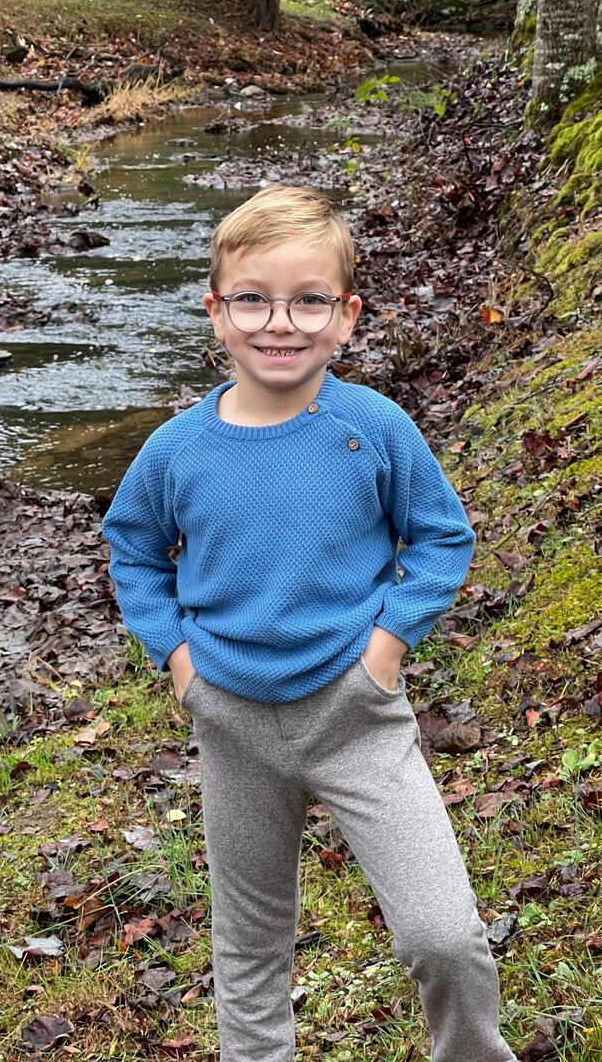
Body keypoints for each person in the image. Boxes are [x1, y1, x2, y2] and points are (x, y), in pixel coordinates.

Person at [101, 186, 516, 1062]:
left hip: (356, 713)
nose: (279, 323)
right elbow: (133, 550)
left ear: (345, 318)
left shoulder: (373, 428)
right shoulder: (176, 450)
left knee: (443, 934)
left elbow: (441, 536)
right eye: (253, 299)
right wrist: (179, 660)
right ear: (216, 312)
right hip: (232, 720)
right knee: (250, 946)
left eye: (308, 301)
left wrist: (386, 648)